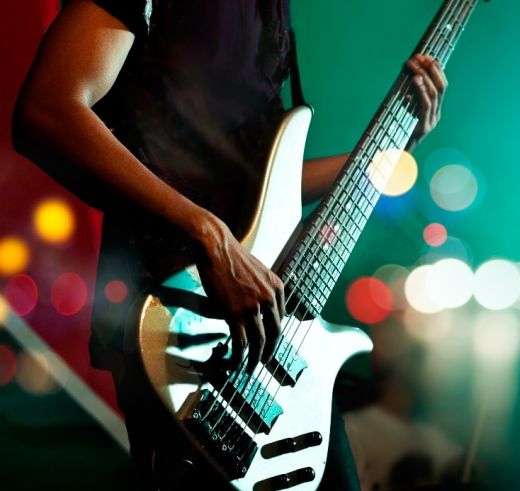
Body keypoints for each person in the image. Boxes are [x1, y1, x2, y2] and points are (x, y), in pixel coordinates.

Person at [12, 1, 447, 489]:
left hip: (264, 337)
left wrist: (388, 151)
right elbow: (48, 109)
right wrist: (210, 238)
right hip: (174, 320)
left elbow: (258, 188)